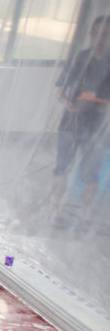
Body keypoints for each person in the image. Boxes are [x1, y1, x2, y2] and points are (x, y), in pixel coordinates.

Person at [53, 15, 110, 210]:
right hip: (72, 122)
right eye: (95, 34)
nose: (99, 39)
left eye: (105, 35)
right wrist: (70, 105)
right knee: (62, 167)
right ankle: (58, 212)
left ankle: (86, 216)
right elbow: (60, 90)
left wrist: (103, 105)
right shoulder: (80, 58)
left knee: (92, 172)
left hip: (97, 125)